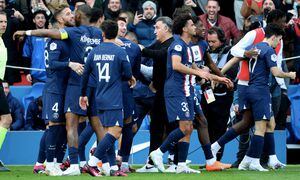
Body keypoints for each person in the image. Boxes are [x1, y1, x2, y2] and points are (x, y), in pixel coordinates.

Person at [149, 13, 231, 174]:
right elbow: (176, 65)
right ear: (185, 28)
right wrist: (200, 74)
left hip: (186, 90)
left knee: (190, 126)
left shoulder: (186, 46)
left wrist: (219, 78)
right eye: (192, 25)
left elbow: (195, 69)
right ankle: (158, 153)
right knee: (185, 126)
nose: (196, 27)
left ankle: (181, 165)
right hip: (176, 90)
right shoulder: (177, 45)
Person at [80, 20, 136, 177]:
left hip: (99, 96)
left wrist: (83, 94)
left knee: (106, 133)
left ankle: (111, 168)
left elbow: (85, 74)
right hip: (114, 98)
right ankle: (92, 162)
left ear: (103, 34)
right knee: (116, 131)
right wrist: (130, 78)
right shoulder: (120, 52)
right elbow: (126, 73)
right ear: (116, 33)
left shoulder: (94, 51)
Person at [236, 24, 295, 171]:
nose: (278, 43)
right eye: (279, 40)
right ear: (274, 37)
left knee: (270, 123)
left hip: (250, 88)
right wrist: (289, 75)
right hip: (261, 91)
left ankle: (247, 162)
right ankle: (255, 161)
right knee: (260, 128)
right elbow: (275, 72)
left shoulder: (256, 47)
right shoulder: (269, 50)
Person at [136, 16, 175, 173]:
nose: (155, 31)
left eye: (157, 28)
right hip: (160, 92)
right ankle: (152, 163)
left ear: (166, 28)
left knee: (172, 127)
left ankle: (177, 162)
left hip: (171, 93)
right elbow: (152, 55)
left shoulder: (173, 44)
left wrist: (142, 49)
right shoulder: (159, 43)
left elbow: (161, 55)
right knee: (156, 127)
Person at [115, 17, 142, 173]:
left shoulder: (134, 48)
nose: (123, 27)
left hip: (126, 92)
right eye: (120, 25)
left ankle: (123, 162)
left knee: (130, 126)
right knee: (103, 127)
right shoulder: (104, 45)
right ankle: (103, 160)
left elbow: (136, 73)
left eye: (125, 25)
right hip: (108, 92)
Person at [22, 9, 48, 84]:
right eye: (38, 18)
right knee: (37, 95)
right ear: (34, 20)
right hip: (36, 75)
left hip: (51, 75)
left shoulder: (51, 35)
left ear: (45, 20)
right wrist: (27, 72)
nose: (40, 20)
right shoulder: (30, 36)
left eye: (42, 18)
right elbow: (26, 55)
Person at [0, 11, 12, 172]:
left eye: (4, 21)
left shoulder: (2, 40)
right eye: (0, 21)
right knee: (7, 119)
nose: (3, 24)